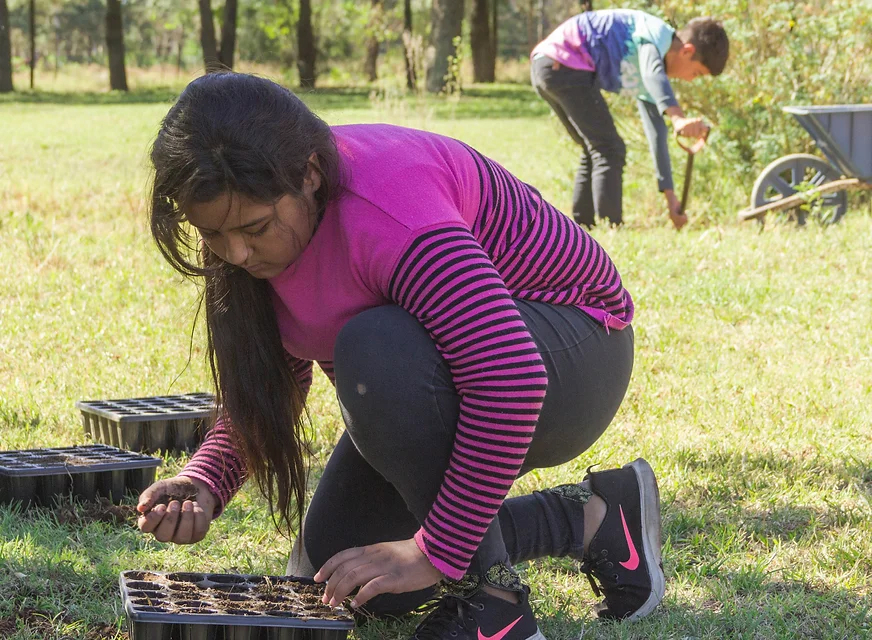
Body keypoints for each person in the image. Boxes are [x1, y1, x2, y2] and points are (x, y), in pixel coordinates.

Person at [136, 72, 664, 639]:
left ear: (310, 174)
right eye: (213, 234)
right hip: (433, 376)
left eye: (256, 228)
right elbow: (275, 380)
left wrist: (436, 553)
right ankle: (593, 520)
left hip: (575, 350)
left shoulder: (389, 211)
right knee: (339, 579)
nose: (236, 252)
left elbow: (509, 377)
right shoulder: (247, 228)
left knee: (374, 348)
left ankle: (494, 607)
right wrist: (206, 479)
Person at [530, 10, 729, 229]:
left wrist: (670, 197)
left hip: (550, 66)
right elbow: (654, 75)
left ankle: (582, 228)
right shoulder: (656, 35)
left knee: (596, 147)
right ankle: (611, 227)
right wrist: (678, 118)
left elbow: (657, 135)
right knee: (609, 148)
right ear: (686, 51)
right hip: (563, 63)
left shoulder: (651, 73)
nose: (691, 80)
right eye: (696, 73)